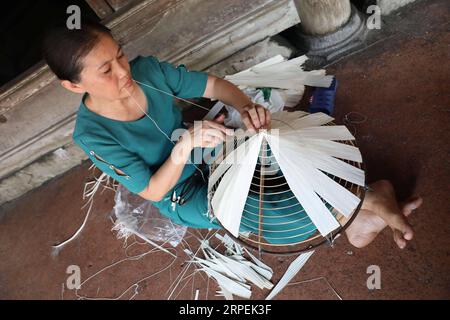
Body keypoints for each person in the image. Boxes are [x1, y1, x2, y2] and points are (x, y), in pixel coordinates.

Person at [42, 20, 422, 249]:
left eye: (120, 55)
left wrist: (244, 107)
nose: (123, 72)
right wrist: (184, 147)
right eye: (105, 71)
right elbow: (153, 192)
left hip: (206, 149)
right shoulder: (92, 136)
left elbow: (212, 86)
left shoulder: (146, 70)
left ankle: (362, 211)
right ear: (74, 86)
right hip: (180, 191)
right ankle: (367, 202)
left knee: (282, 163)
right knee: (255, 216)